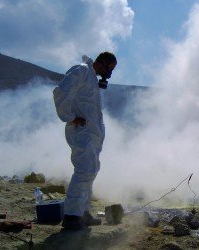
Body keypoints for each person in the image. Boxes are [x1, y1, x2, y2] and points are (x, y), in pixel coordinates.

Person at [53, 52, 117, 230]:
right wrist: (69, 117)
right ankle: (72, 216)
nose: (110, 73)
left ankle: (83, 213)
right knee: (84, 171)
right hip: (82, 132)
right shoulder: (81, 71)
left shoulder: (91, 78)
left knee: (91, 171)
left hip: (90, 134)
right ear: (102, 62)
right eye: (110, 68)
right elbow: (60, 92)